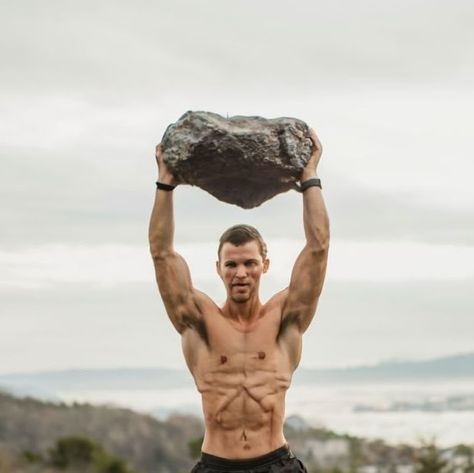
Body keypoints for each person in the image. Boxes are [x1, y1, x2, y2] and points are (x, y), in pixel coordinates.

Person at [149, 129, 330, 473]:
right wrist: (165, 185)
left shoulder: (284, 318)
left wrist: (310, 180)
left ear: (265, 265)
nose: (241, 273)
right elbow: (161, 253)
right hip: (216, 465)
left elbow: (318, 249)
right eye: (231, 264)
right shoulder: (198, 319)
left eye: (249, 263)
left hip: (277, 463)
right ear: (218, 269)